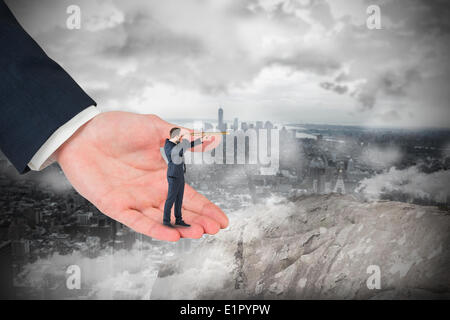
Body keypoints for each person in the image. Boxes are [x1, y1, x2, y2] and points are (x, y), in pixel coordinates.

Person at [0, 0, 228, 242]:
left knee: (175, 201)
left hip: (174, 179)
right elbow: (181, 145)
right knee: (173, 200)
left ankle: (177, 217)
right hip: (172, 179)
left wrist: (73, 133)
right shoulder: (173, 145)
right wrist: (197, 138)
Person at [163, 128, 205, 227]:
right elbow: (181, 149)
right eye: (181, 135)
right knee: (171, 199)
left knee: (179, 199)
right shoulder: (168, 146)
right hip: (173, 175)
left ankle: (178, 219)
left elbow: (187, 146)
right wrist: (187, 137)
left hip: (180, 174)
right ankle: (166, 221)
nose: (181, 137)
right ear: (177, 136)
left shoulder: (176, 144)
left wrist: (201, 140)